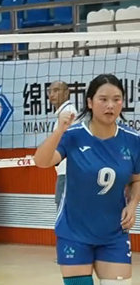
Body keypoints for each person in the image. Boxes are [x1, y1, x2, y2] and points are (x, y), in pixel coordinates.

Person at [34, 74, 140, 285]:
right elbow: (41, 161)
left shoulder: (132, 140)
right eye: (103, 99)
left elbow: (136, 180)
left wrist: (133, 205)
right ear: (90, 102)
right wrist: (59, 130)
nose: (110, 105)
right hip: (74, 233)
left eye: (116, 99)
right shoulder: (74, 135)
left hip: (112, 234)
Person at [48, 81, 78, 209]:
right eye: (50, 91)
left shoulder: (68, 113)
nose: (51, 94)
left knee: (63, 215)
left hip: (68, 174)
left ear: (66, 93)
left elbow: (62, 146)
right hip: (67, 173)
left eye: (56, 90)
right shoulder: (63, 114)